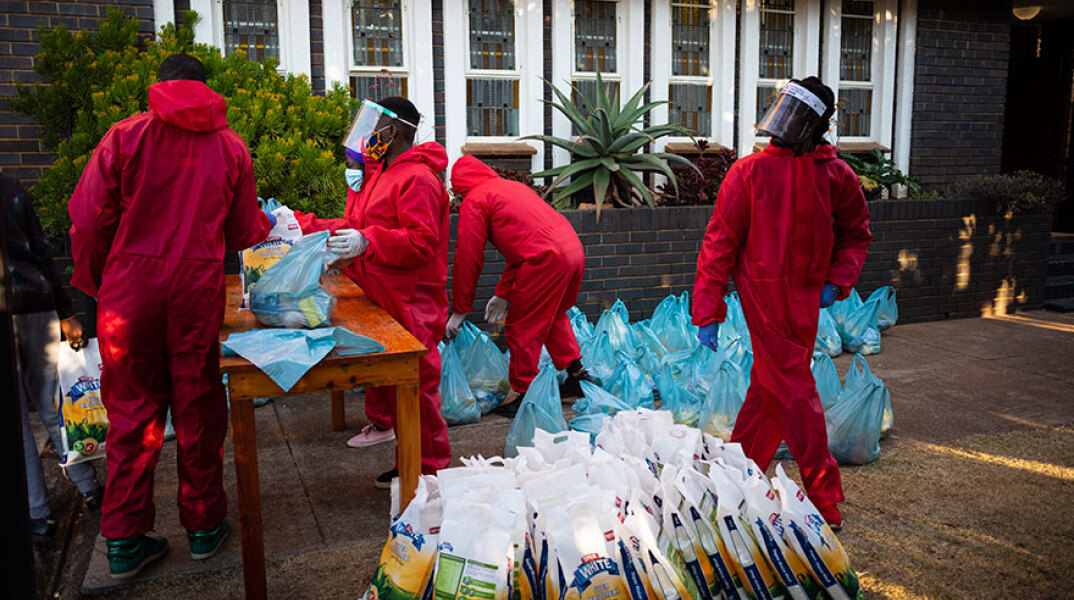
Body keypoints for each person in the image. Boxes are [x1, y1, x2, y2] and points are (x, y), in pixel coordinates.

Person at [68, 54, 271, 579]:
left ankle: (123, 541)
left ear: (159, 86)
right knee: (199, 406)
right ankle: (204, 527)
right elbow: (243, 232)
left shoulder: (124, 136)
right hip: (196, 291)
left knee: (131, 413)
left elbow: (87, 220)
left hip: (128, 292)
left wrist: (99, 284)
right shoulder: (231, 146)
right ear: (206, 88)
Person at [692, 77, 872, 530]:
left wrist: (838, 280)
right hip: (763, 296)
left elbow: (857, 232)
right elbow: (720, 242)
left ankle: (737, 475)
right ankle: (824, 495)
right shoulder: (749, 172)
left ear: (817, 126)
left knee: (770, 390)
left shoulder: (836, 175)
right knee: (795, 390)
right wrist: (708, 308)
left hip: (807, 298)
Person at [301, 96, 452, 487]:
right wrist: (311, 229)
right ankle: (411, 463)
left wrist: (368, 242)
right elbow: (359, 226)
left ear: (394, 130)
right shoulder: (383, 174)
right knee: (399, 391)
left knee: (417, 393)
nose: (366, 134)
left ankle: (430, 474)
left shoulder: (417, 179)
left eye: (374, 125)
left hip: (411, 302)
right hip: (384, 297)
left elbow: (421, 242)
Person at [445, 155, 594, 416]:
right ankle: (577, 376)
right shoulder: (512, 188)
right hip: (572, 250)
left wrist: (460, 308)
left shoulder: (475, 200)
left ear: (459, 188)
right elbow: (523, 247)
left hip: (545, 258)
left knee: (522, 326)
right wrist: (502, 293)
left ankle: (526, 395)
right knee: (553, 315)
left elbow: (469, 255)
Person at [3, 174, 103, 541]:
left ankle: (38, 513)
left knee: (14, 418)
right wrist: (66, 311)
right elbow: (42, 250)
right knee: (51, 402)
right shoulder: (12, 187)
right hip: (36, 300)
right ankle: (90, 488)